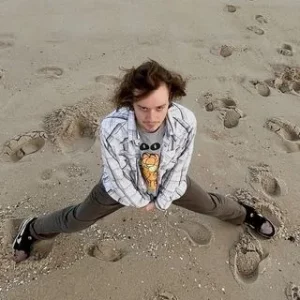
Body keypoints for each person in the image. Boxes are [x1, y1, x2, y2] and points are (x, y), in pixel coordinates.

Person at [12, 59, 275, 263]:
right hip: (121, 186)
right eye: (143, 108)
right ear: (131, 102)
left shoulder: (186, 121)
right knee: (77, 221)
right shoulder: (111, 127)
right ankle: (33, 228)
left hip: (169, 180)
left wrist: (162, 198)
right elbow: (116, 172)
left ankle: (245, 214)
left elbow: (181, 164)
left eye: (160, 107)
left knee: (209, 204)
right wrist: (140, 201)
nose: (151, 117)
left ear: (170, 98)